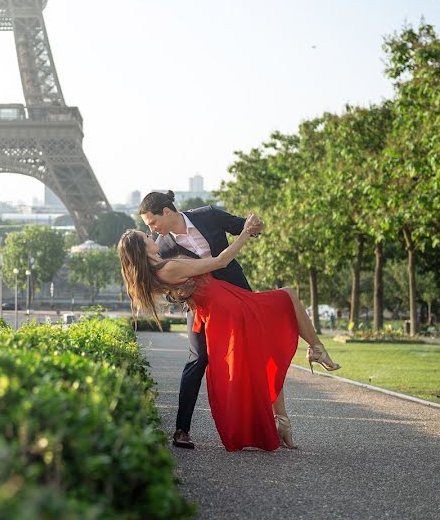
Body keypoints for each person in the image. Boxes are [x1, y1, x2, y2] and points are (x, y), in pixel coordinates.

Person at [118, 217, 341, 451]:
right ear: (142, 249)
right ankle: (316, 350)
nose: (151, 236)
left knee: (255, 360)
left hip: (222, 310)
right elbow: (222, 261)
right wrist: (244, 232)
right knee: (287, 296)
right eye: (146, 238)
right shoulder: (170, 267)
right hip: (231, 308)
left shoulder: (157, 272)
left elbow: (179, 291)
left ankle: (279, 421)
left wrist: (179, 293)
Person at [138, 190, 262, 449]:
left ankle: (265, 423)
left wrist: (255, 225)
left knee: (250, 353)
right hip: (198, 306)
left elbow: (244, 226)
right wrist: (179, 297)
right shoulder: (162, 248)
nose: (152, 230)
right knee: (198, 359)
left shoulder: (208, 215)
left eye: (152, 222)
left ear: (167, 212)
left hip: (235, 293)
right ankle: (181, 430)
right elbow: (168, 286)